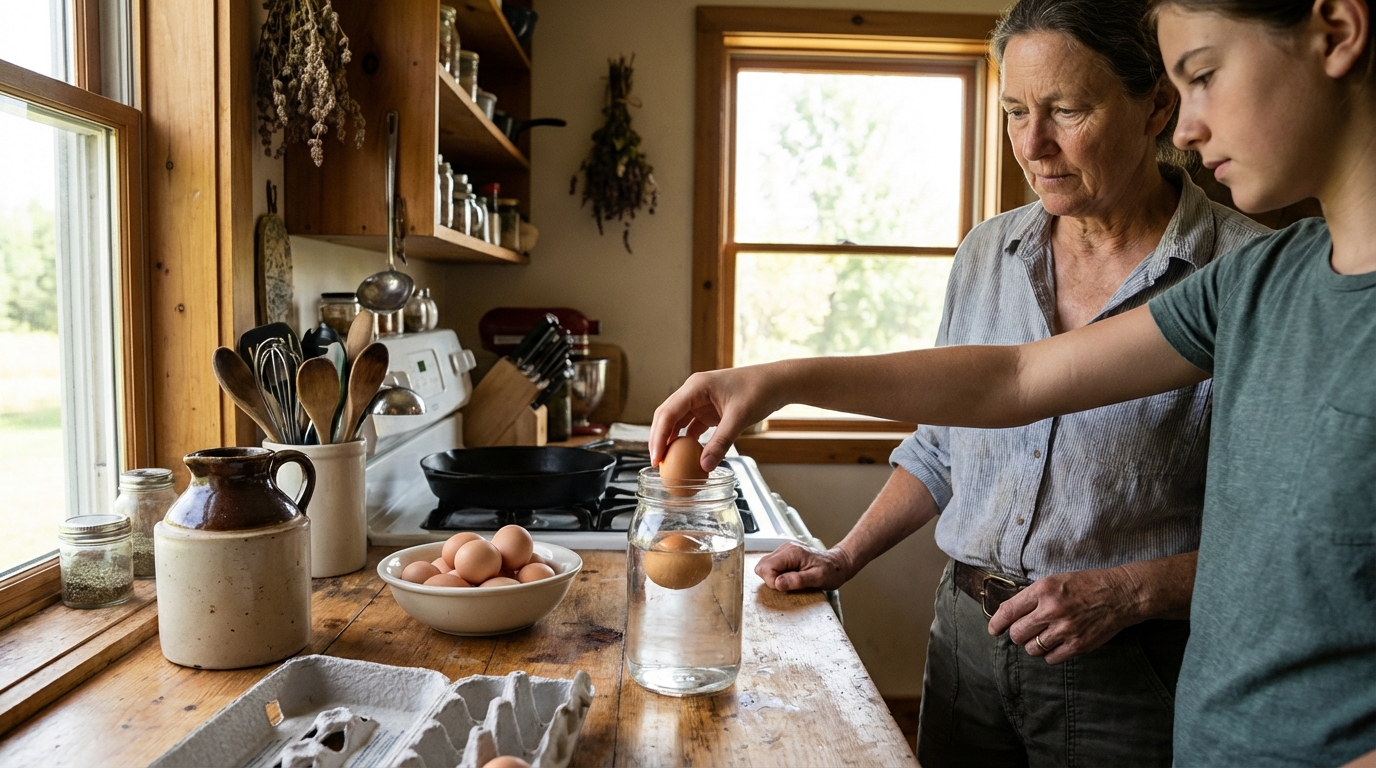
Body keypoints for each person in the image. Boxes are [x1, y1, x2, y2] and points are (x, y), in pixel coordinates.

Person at [653, 0, 1376, 763]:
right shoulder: (1265, 277)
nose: (1033, 144)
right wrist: (776, 384)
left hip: (1130, 667)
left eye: (1067, 109)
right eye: (1014, 111)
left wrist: (1134, 590)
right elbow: (1005, 387)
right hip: (992, 640)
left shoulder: (1235, 262)